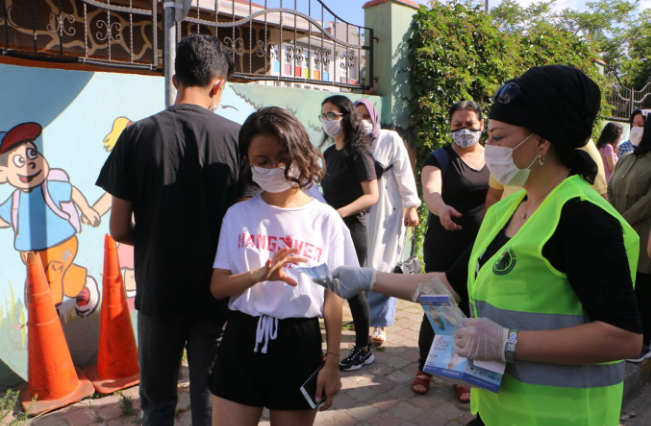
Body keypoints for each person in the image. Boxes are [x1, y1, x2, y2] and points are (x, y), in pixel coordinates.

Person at [315, 65, 642, 426]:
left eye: (499, 137)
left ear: (542, 142)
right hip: (497, 411)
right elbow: (449, 286)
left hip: (562, 418)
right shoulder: (506, 210)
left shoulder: (584, 219)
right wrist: (368, 278)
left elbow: (623, 338)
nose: (491, 149)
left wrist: (509, 342)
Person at [96, 35, 254, 426]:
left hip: (157, 290)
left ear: (174, 79)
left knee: (158, 403)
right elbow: (243, 227)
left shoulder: (135, 136)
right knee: (208, 396)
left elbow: (118, 228)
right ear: (218, 85)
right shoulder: (239, 139)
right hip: (215, 293)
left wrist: (153, 239)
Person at [209, 107, 354, 426]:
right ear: (247, 161)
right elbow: (218, 286)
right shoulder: (238, 215)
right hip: (242, 339)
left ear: (301, 154)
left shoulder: (324, 219)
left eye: (283, 157)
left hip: (298, 344)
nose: (275, 167)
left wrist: (332, 361)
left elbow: (334, 297)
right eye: (262, 160)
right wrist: (259, 275)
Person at [416, 100, 489, 400]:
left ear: (482, 125)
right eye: (457, 125)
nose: (464, 130)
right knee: (437, 303)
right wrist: (441, 208)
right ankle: (424, 367)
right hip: (444, 242)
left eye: (470, 124)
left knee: (470, 306)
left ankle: (462, 371)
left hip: (481, 243)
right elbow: (431, 191)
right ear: (449, 126)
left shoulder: (496, 158)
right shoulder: (440, 157)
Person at [353, 99, 420, 345]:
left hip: (386, 214)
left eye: (365, 115)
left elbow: (404, 171)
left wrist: (411, 206)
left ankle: (380, 325)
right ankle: (363, 313)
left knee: (384, 264)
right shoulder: (351, 143)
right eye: (356, 115)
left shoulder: (390, 139)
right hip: (360, 213)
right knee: (361, 265)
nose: (361, 120)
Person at [320, 95, 379, 371]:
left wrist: (339, 213)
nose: (327, 120)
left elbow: (371, 195)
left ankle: (364, 349)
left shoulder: (359, 152)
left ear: (346, 117)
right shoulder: (330, 154)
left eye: (332, 115)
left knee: (355, 290)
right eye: (324, 115)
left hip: (353, 228)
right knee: (329, 287)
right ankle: (328, 349)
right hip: (331, 229)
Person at [608, 116, 651, 362]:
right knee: (627, 283)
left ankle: (644, 342)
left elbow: (648, 200)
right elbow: (612, 187)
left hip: (642, 230)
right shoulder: (626, 157)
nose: (636, 129)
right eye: (634, 123)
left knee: (644, 285)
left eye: (642, 125)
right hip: (620, 228)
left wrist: (624, 218)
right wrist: (615, 215)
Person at [485, 138, 609, 210]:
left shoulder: (579, 142)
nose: (489, 143)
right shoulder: (510, 143)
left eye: (497, 136)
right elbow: (493, 197)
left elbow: (600, 204)